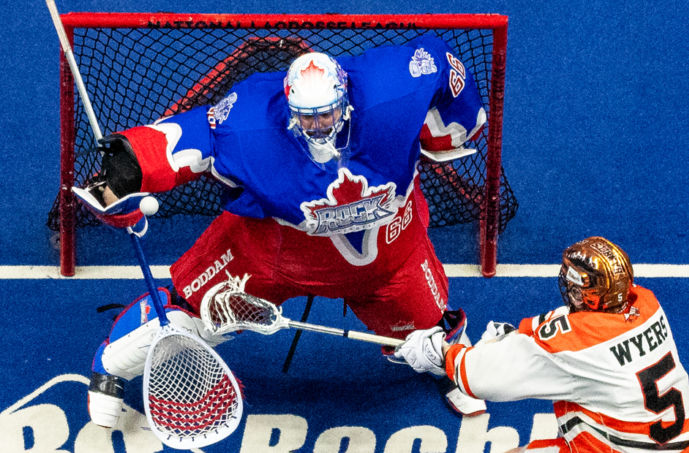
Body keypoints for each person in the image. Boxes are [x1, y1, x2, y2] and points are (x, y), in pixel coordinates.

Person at [81, 34, 492, 429]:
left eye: (328, 113)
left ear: (346, 98)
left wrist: (453, 128)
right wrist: (129, 169)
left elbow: (441, 64)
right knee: (189, 316)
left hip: (389, 256)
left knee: (430, 332)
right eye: (308, 117)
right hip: (274, 254)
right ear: (291, 109)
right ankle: (110, 364)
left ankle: (452, 363)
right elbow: (190, 136)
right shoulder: (249, 123)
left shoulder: (397, 86)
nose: (320, 126)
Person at [394, 237, 689, 453]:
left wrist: (438, 351)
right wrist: (514, 340)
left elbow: (479, 377)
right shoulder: (646, 304)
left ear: (589, 295)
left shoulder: (577, 346)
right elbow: (568, 328)